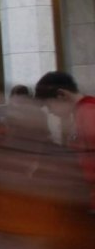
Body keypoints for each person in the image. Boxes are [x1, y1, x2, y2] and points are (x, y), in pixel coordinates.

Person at [34, 71, 95, 212]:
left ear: (61, 95)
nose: (50, 112)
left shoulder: (88, 113)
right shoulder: (81, 113)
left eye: (49, 106)